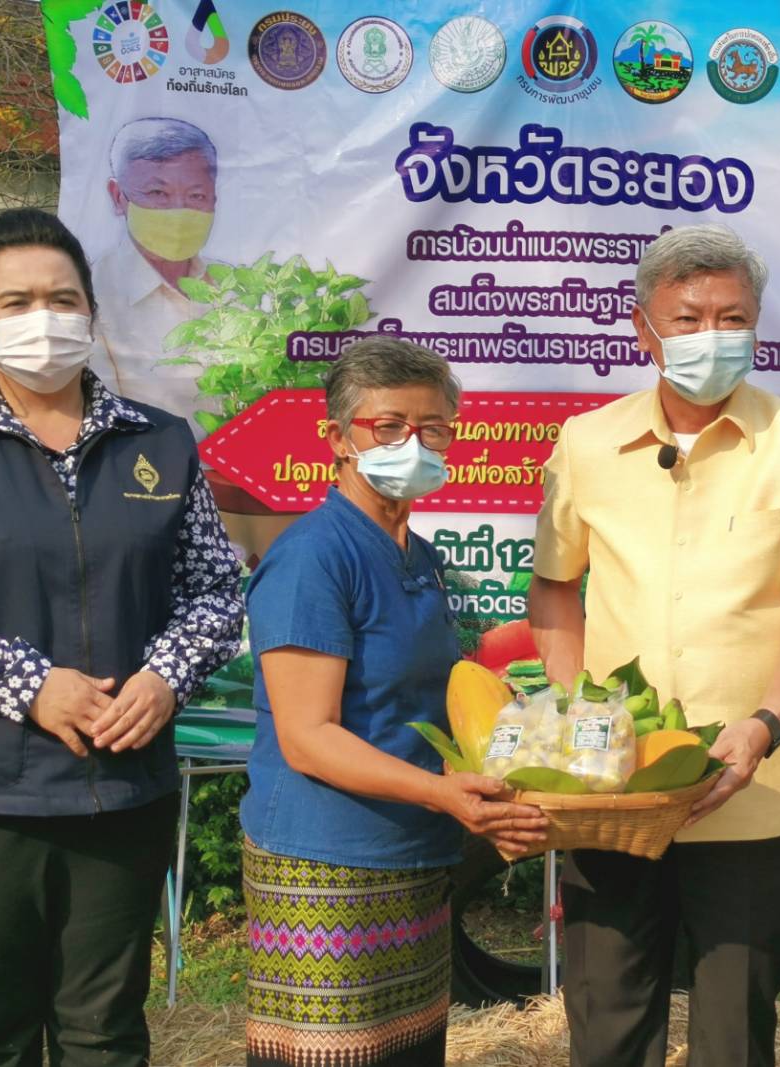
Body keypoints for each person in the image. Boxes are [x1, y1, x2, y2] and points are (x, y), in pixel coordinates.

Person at [0, 207, 244, 1065]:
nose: (42, 318)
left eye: (62, 297)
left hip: (123, 790)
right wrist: (31, 684)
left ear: (90, 312)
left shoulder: (159, 443)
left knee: (104, 1033)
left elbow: (214, 592)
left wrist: (165, 676)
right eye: (15, 302)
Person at [530, 224, 780, 1067]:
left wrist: (763, 722)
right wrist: (576, 716)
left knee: (734, 1028)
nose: (710, 335)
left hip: (752, 782)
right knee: (606, 1012)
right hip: (613, 784)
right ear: (643, 329)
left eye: (732, 317)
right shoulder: (586, 441)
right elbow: (554, 586)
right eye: (687, 318)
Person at [238, 338, 547, 1067]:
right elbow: (307, 737)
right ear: (338, 437)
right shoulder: (314, 555)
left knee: (408, 1051)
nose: (412, 442)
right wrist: (443, 794)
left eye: (432, 427)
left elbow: (433, 702)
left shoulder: (420, 556)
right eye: (388, 425)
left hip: (412, 855)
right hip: (325, 866)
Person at [90, 116, 221, 426]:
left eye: (196, 196)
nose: (178, 211)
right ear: (118, 196)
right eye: (158, 193)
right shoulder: (93, 291)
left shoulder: (238, 288)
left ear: (214, 198)